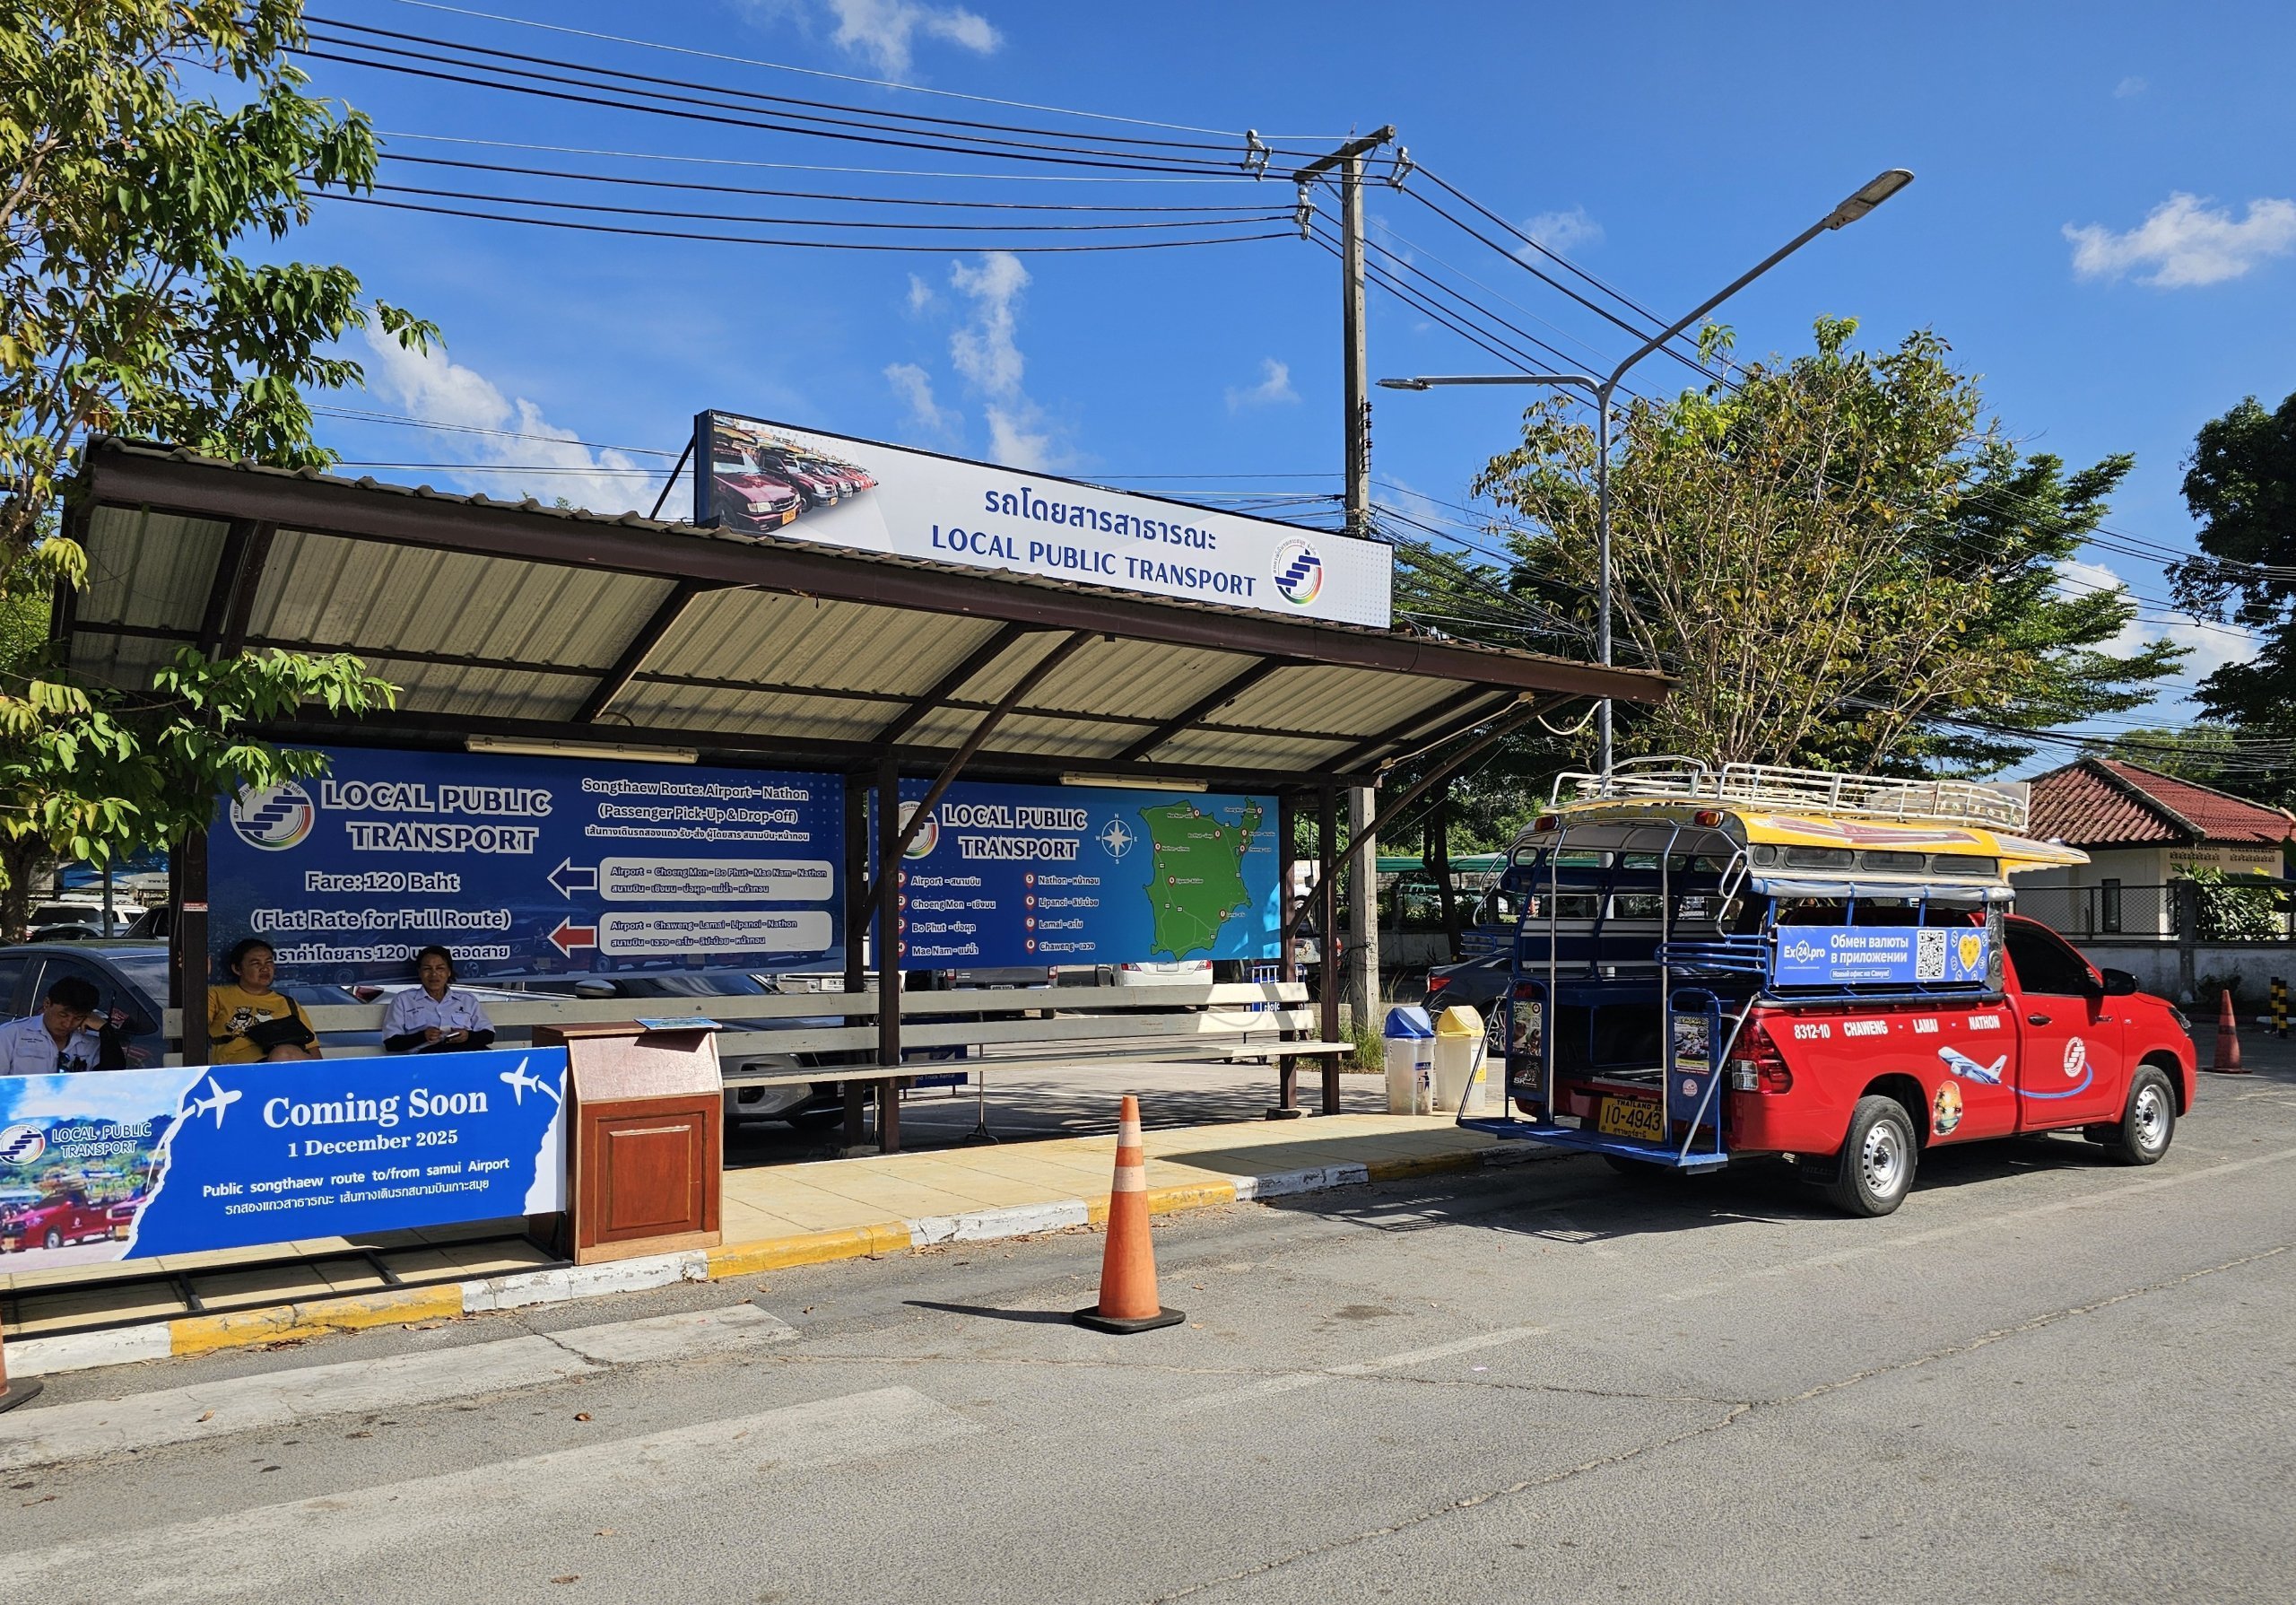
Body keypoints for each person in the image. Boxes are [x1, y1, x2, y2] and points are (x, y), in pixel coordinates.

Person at [208, 938, 321, 1062]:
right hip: (238, 1069)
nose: (265, 968)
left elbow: (313, 1051)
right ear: (237, 969)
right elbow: (195, 1026)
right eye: (256, 963)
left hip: (281, 1065)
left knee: (283, 1054)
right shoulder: (217, 996)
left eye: (269, 962)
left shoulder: (287, 1003)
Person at [382, 946, 495, 1054]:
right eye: (427, 969)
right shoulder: (404, 1000)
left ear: (449, 972)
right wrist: (423, 1036)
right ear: (419, 972)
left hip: (466, 1054)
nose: (434, 974)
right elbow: (391, 1043)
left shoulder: (467, 1000)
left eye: (440, 968)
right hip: (428, 1058)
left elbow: (489, 1035)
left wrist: (468, 1036)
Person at [0, 976, 126, 1074]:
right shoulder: (11, 1035)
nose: (68, 1024)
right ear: (47, 1004)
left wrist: (105, 1030)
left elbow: (112, 1077)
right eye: (63, 1015)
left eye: (78, 1018)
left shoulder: (91, 1041)